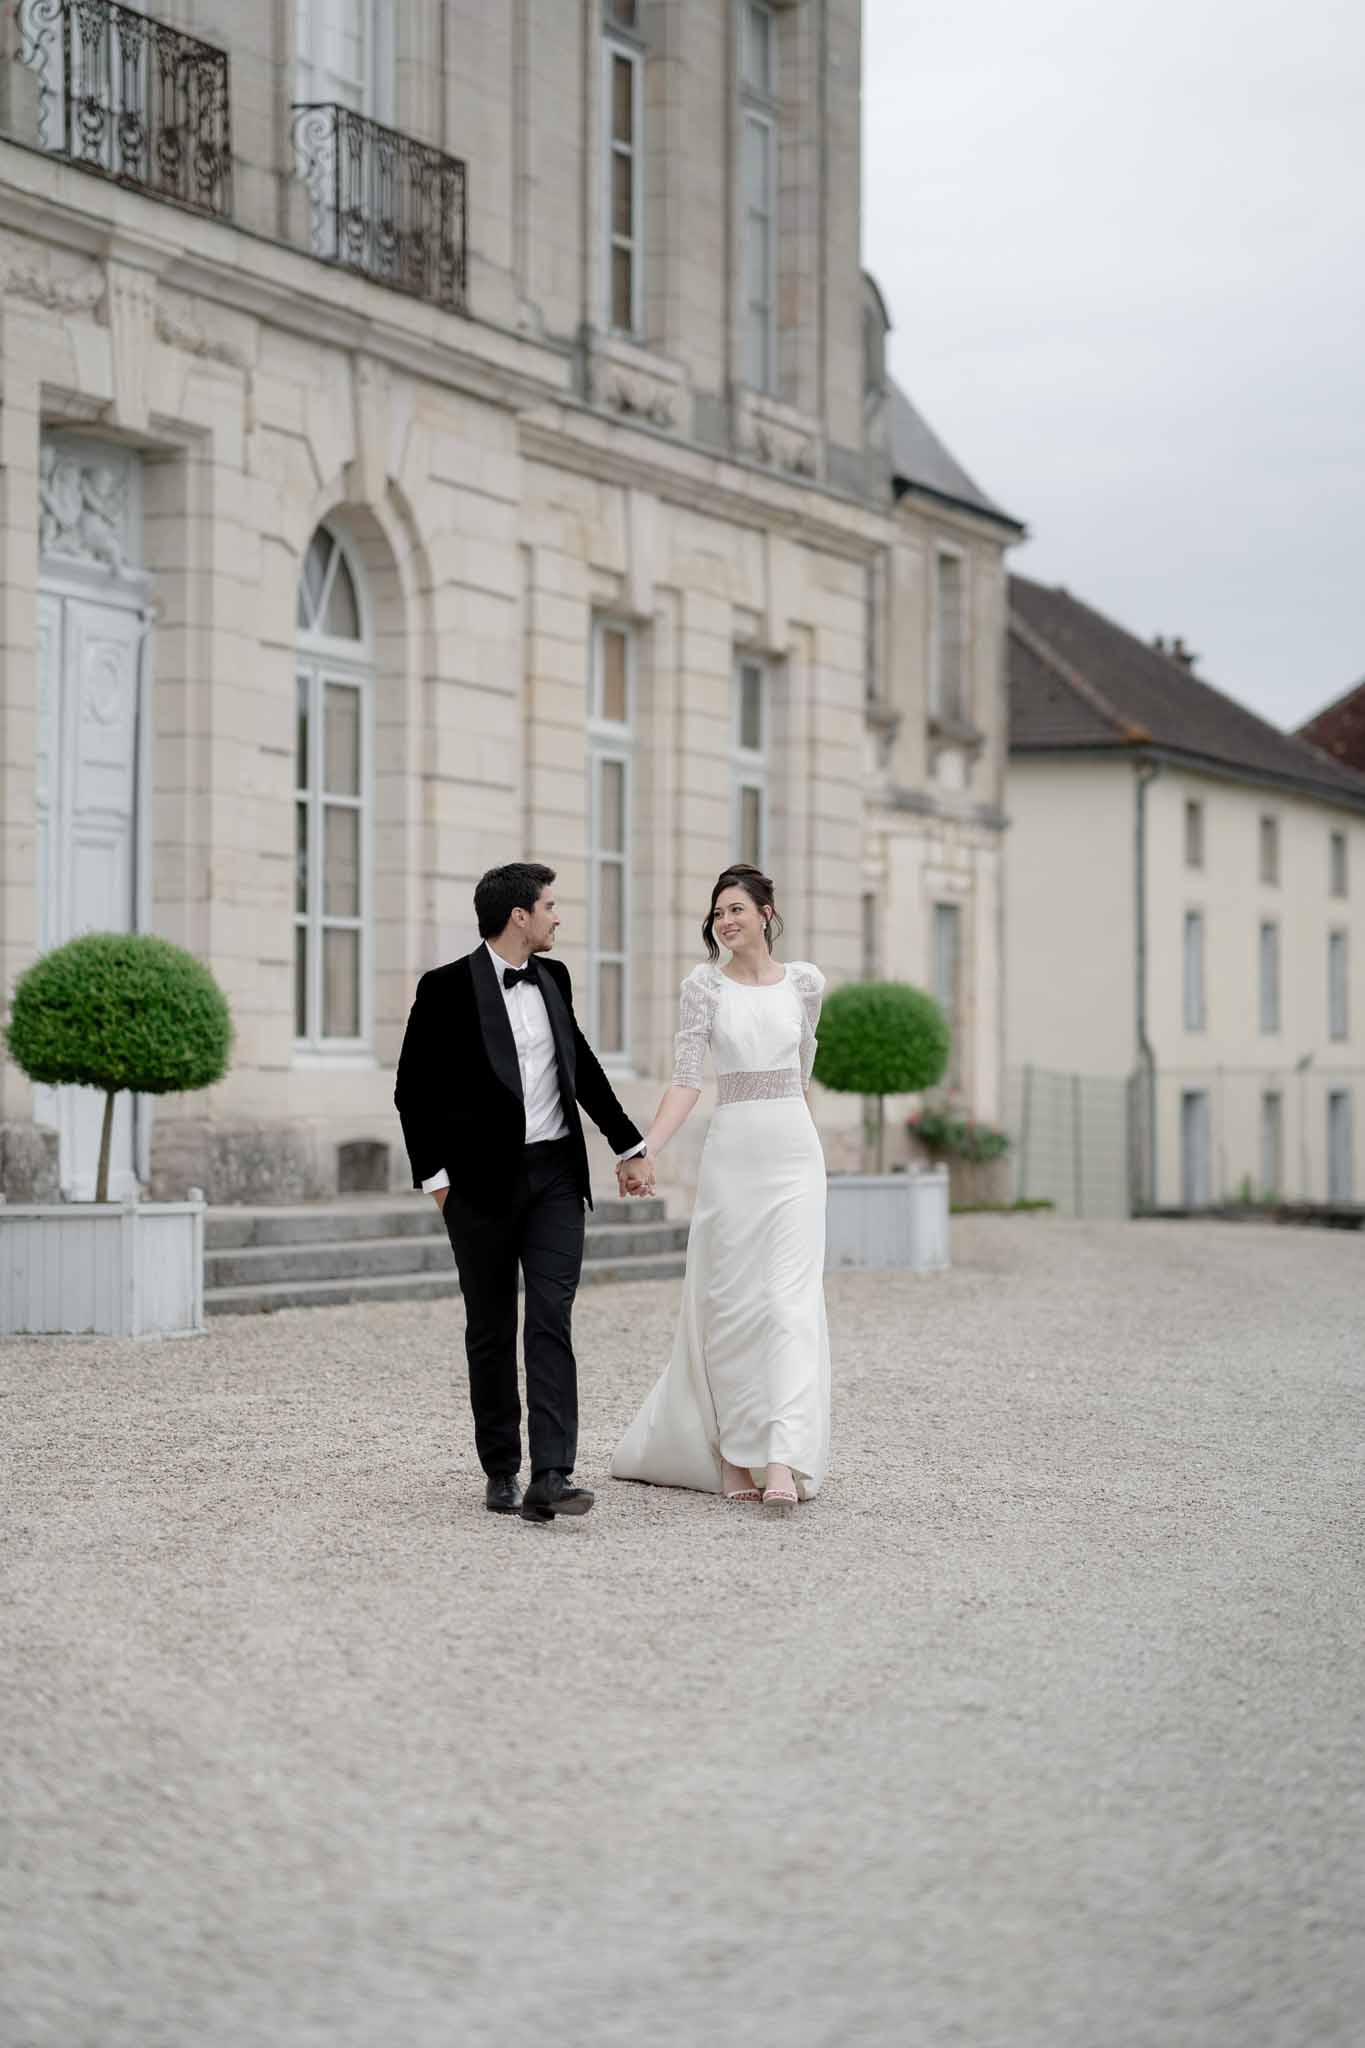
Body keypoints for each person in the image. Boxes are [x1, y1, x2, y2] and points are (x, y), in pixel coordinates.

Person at [395, 863, 654, 1523]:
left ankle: (553, 1474)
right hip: (477, 1187)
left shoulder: (554, 978)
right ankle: (501, 1469)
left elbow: (583, 1067)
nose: (557, 917)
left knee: (549, 1320)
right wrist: (437, 1183)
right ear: (519, 916)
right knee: (490, 1328)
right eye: (550, 906)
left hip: (557, 1179)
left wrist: (629, 1146)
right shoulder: (445, 987)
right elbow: (412, 1092)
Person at [611, 864, 830, 1513]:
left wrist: (795, 1130)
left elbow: (802, 1068)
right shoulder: (703, 988)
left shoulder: (806, 982)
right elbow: (687, 1079)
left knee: (789, 1306)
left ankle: (782, 1459)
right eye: (717, 913)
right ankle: (734, 1456)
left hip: (794, 1156)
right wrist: (645, 1146)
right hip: (732, 1157)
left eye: (736, 908)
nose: (725, 921)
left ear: (766, 910)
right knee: (732, 1306)